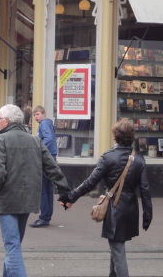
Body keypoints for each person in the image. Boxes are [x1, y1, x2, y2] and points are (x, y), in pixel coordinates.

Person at [0, 104, 70, 277]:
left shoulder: (0, 140)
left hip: (6, 200)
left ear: (7, 121)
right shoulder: (34, 140)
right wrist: (65, 190)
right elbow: (52, 167)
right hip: (27, 199)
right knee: (14, 245)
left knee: (12, 246)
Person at [61, 118, 153, 277]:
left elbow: (90, 183)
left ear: (115, 136)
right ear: (132, 137)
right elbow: (145, 189)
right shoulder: (138, 159)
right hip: (131, 208)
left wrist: (70, 197)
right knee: (116, 245)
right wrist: (148, 214)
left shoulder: (108, 157)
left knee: (117, 248)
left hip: (115, 207)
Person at [29, 105, 58, 228]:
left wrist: (37, 148)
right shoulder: (48, 123)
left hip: (45, 158)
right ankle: (47, 216)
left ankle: (44, 217)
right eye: (34, 115)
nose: (36, 117)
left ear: (43, 114)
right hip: (51, 157)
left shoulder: (44, 124)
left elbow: (48, 139)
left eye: (37, 114)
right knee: (48, 188)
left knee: (43, 189)